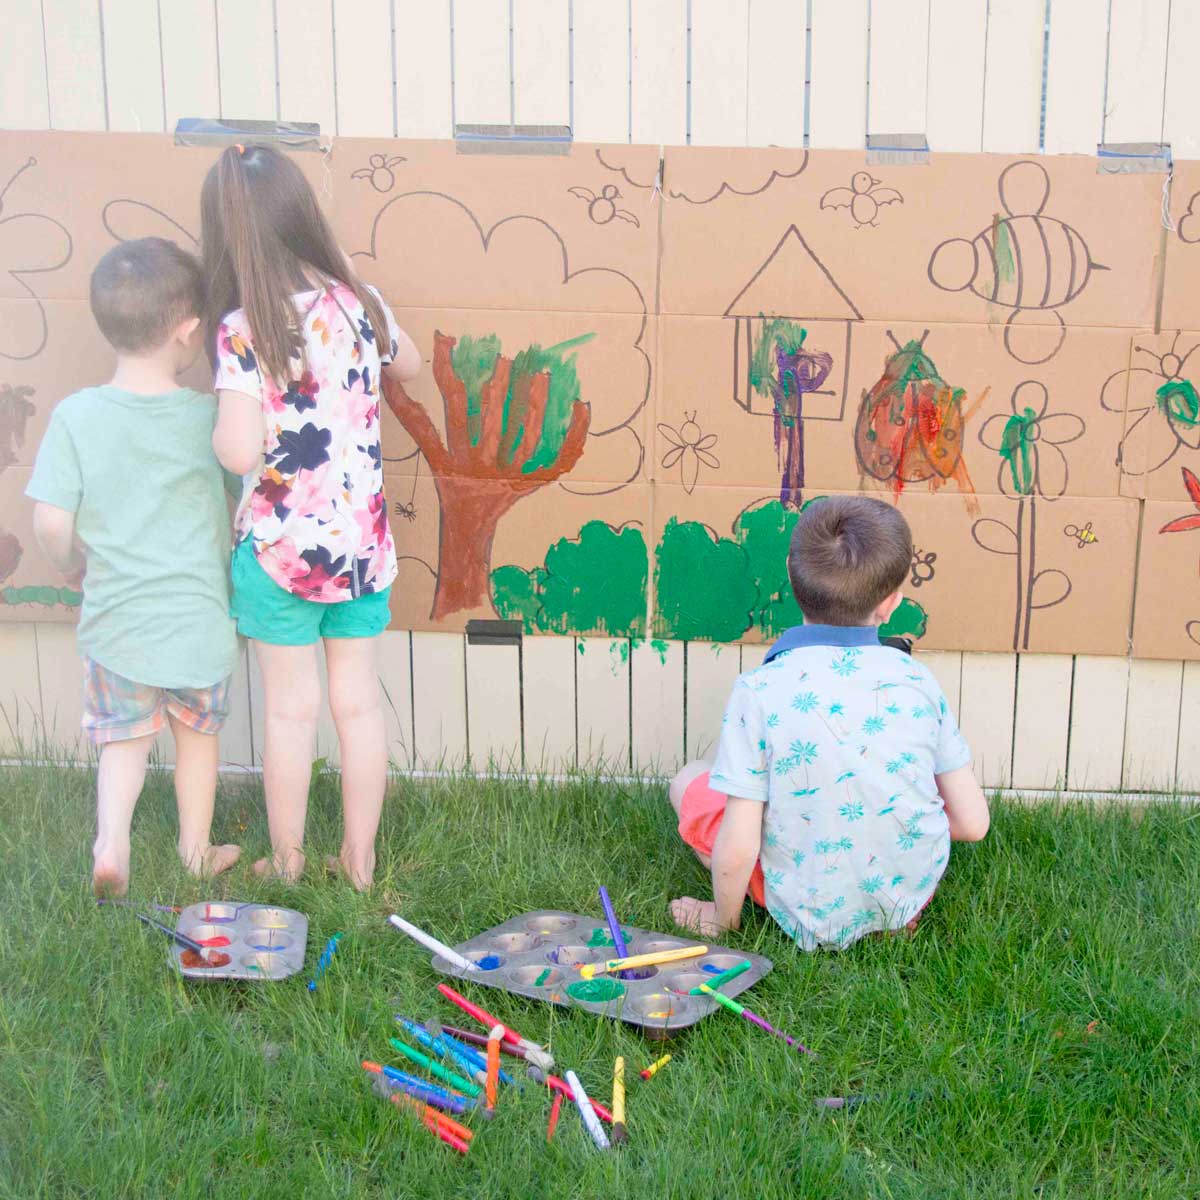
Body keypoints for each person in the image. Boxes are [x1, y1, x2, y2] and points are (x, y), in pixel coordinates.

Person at [202, 143, 421, 891]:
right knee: (358, 707)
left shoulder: (242, 328)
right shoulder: (359, 303)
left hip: (279, 557)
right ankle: (360, 862)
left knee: (291, 714)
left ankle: (288, 861)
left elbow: (236, 453)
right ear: (303, 215)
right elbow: (412, 364)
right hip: (361, 552)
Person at [668, 495, 990, 949]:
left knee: (689, 781)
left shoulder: (759, 690)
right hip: (907, 895)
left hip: (801, 901)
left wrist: (720, 921)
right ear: (892, 601)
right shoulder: (918, 680)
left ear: (792, 574)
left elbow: (739, 847)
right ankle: (890, 914)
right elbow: (973, 824)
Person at [25, 237, 241, 896]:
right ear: (188, 331)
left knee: (123, 743)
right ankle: (194, 849)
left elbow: (51, 522)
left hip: (118, 625)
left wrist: (69, 567)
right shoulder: (210, 419)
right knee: (195, 743)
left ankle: (112, 842)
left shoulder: (76, 417)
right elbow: (237, 507)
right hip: (199, 627)